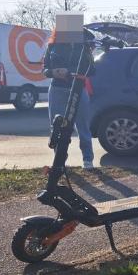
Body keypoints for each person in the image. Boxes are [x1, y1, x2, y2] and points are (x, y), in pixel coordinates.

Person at [43, 28, 95, 169]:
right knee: (57, 126)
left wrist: (70, 71)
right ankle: (59, 162)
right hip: (57, 89)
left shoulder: (83, 46)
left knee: (82, 125)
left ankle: (88, 159)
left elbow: (92, 69)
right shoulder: (52, 46)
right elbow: (45, 69)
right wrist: (53, 72)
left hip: (78, 88)